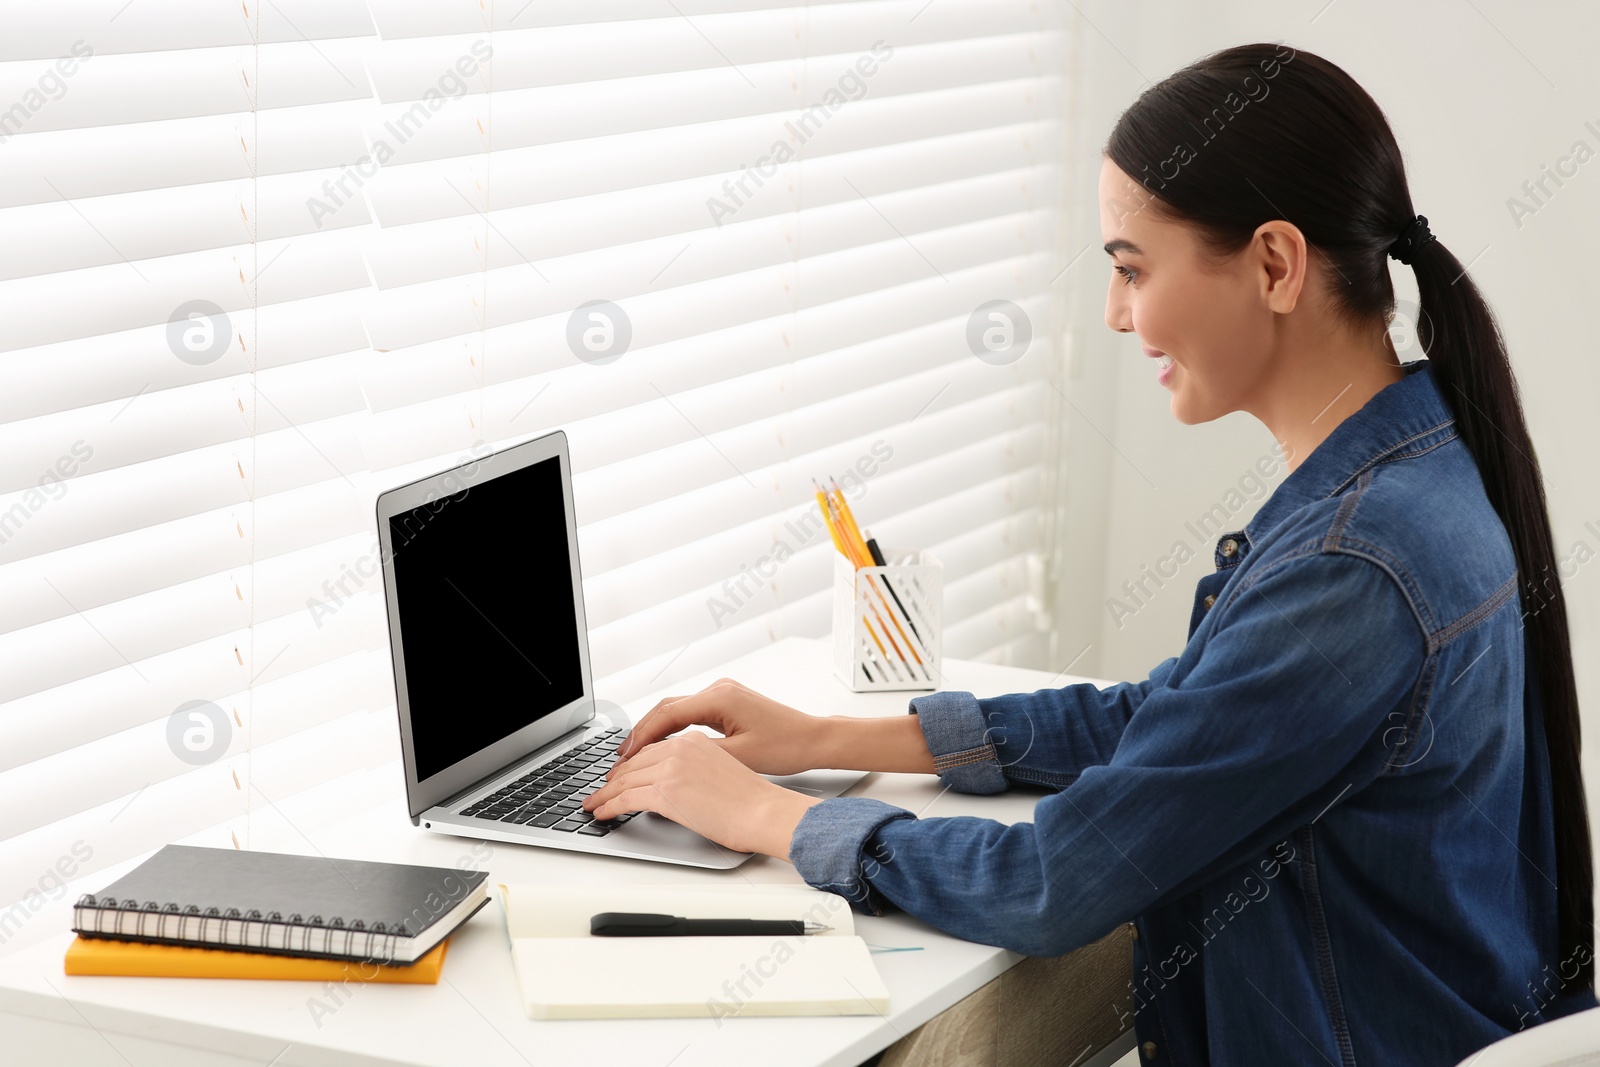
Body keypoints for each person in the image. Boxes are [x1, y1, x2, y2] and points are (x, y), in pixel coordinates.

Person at [583, 42, 1596, 1064]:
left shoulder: (1351, 566)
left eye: (1131, 269)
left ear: (1275, 264)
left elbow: (1053, 883)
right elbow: (1176, 718)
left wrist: (763, 813)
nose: (1116, 315)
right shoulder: (1408, 472)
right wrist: (826, 737)